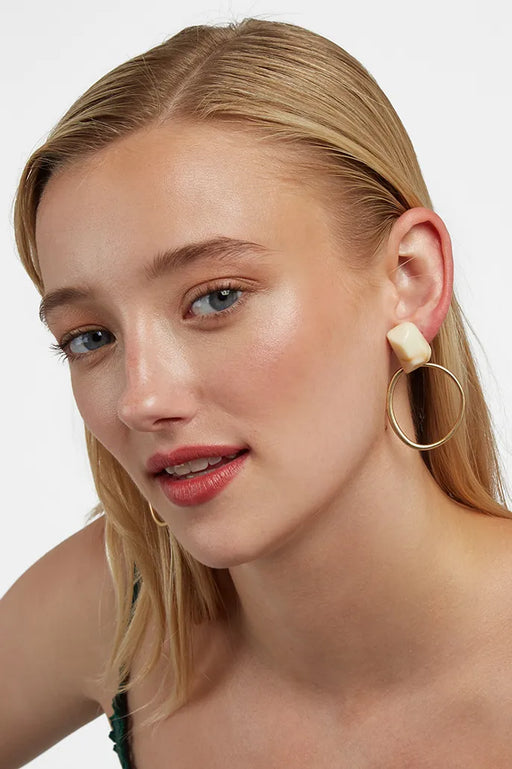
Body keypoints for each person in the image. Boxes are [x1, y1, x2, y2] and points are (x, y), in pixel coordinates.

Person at [3, 16, 512, 768]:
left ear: (410, 280)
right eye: (91, 337)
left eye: (216, 297)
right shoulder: (119, 604)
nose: (140, 400)